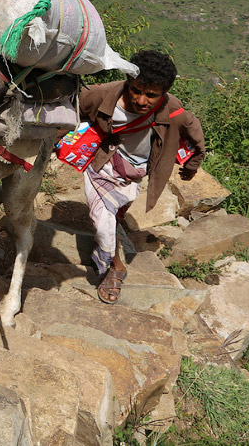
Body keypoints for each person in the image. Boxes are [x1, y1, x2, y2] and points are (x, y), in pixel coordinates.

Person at [71, 49, 205, 304]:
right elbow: (74, 105)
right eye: (136, 90)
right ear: (128, 83)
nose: (141, 100)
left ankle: (107, 244)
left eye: (151, 95)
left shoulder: (174, 111)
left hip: (136, 173)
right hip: (103, 165)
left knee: (115, 215)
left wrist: (192, 166)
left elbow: (197, 138)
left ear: (163, 93)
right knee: (103, 222)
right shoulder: (103, 96)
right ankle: (115, 266)